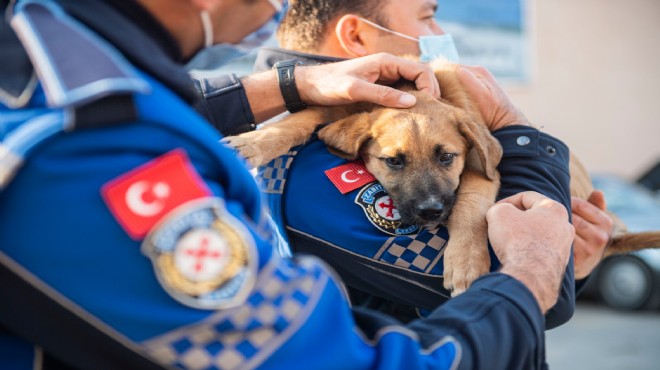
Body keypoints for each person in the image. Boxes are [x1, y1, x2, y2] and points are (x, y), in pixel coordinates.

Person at [0, 0, 573, 369]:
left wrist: (293, 85)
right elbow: (333, 360)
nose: (279, 4)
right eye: (426, 17)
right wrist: (532, 266)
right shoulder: (91, 137)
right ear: (354, 35)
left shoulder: (60, 62)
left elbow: (166, 101)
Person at [247, 0, 613, 323]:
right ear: (357, 36)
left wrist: (574, 264)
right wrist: (510, 124)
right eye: (428, 18)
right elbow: (528, 290)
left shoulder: (412, 113)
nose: (439, 35)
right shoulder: (313, 157)